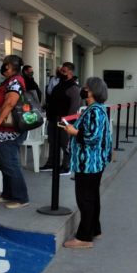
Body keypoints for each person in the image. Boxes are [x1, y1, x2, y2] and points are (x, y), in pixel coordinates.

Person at [62, 77, 113, 249]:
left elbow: (93, 137)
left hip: (89, 162)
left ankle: (84, 238)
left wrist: (73, 131)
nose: (82, 90)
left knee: (85, 199)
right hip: (93, 162)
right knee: (92, 197)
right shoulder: (97, 109)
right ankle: (94, 229)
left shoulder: (94, 111)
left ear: (93, 91)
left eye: (86, 88)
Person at [0, 55, 30, 209]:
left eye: (5, 64)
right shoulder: (9, 81)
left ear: (10, 66)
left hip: (8, 131)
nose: (3, 67)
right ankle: (8, 194)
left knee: (10, 164)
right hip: (2, 131)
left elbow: (10, 103)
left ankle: (21, 198)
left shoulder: (16, 81)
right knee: (4, 163)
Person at [42, 62, 81, 175]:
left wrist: (67, 122)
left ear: (70, 72)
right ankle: (51, 163)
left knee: (65, 144)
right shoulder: (59, 84)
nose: (61, 73)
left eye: (64, 71)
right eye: (61, 71)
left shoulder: (74, 88)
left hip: (65, 120)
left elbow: (74, 107)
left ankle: (66, 166)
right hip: (53, 118)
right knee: (52, 142)